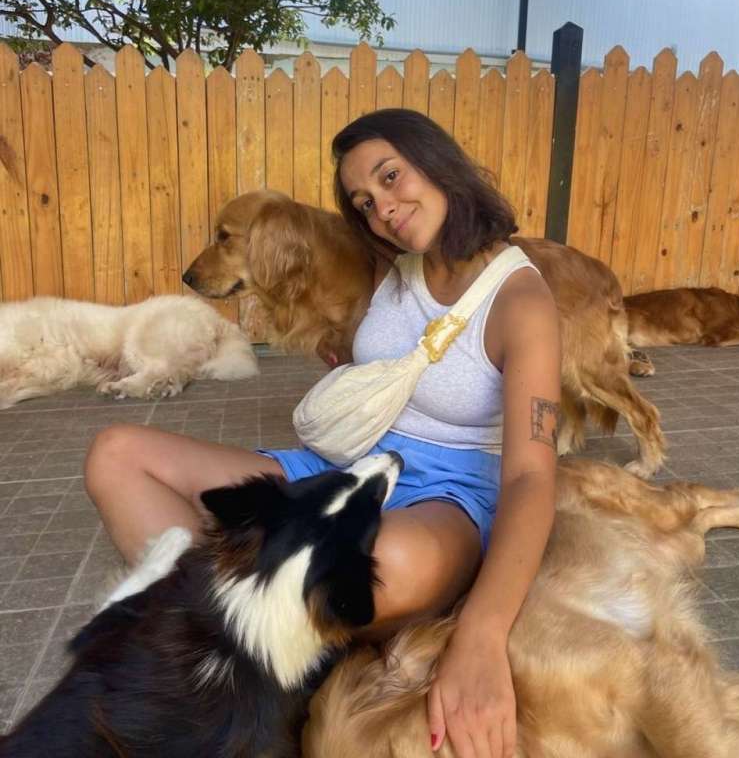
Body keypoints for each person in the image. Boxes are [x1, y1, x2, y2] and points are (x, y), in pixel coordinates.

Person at [84, 108, 560, 758]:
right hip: (342, 465)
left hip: (445, 494)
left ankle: (225, 645)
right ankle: (246, 646)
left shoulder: (521, 301)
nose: (382, 208)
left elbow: (532, 475)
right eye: (363, 201)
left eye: (390, 177)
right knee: (117, 456)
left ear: (437, 162)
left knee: (381, 566)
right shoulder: (394, 264)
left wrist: (482, 635)